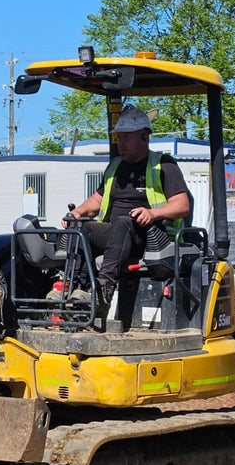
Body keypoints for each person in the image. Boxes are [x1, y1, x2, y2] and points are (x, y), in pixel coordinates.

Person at [62, 105, 191, 327]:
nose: (120, 143)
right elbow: (98, 199)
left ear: (144, 137)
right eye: (118, 137)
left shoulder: (164, 165)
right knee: (83, 229)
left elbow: (182, 205)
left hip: (153, 238)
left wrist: (152, 213)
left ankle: (103, 291)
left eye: (126, 137)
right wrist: (77, 213)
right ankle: (75, 291)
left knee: (123, 222)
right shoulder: (115, 166)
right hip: (118, 237)